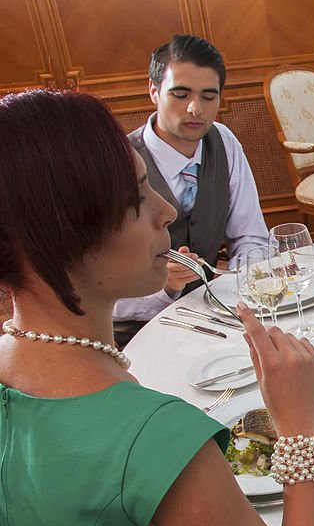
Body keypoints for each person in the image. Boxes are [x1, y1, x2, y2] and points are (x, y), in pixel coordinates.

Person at [0, 89, 314, 526]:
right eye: (137, 197)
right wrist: (298, 428)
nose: (167, 209)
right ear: (61, 234)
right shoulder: (155, 439)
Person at [114, 34, 269, 344]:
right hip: (136, 332)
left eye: (208, 96)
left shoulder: (223, 142)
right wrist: (162, 285)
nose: (195, 109)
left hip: (211, 318)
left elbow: (250, 235)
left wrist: (236, 289)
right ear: (154, 91)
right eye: (181, 94)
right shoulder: (117, 164)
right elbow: (91, 290)